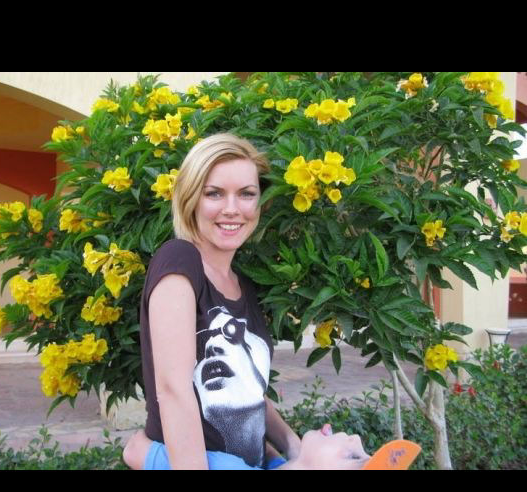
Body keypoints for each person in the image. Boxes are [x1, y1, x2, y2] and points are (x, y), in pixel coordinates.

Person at [122, 132, 371, 470]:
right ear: (191, 199)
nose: (232, 209)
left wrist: (293, 451)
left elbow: (249, 394)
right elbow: (173, 391)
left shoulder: (244, 286)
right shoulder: (180, 260)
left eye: (246, 194)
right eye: (214, 193)